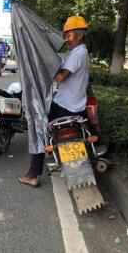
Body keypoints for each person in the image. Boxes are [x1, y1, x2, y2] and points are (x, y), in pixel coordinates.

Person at [18, 15, 90, 188]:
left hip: (65, 107)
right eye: (65, 34)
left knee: (39, 126)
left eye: (69, 34)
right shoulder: (80, 52)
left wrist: (44, 61)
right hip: (77, 107)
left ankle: (33, 174)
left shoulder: (77, 54)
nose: (66, 37)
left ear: (79, 35)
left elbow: (60, 78)